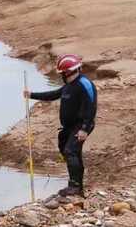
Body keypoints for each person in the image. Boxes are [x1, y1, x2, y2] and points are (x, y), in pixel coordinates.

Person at [23, 54, 97, 199]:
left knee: (71, 151)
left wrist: (85, 128)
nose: (61, 75)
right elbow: (53, 94)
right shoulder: (69, 85)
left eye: (62, 73)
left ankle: (75, 186)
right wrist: (31, 95)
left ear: (68, 72)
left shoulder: (85, 84)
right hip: (68, 126)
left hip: (81, 125)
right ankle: (77, 185)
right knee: (66, 149)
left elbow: (91, 107)